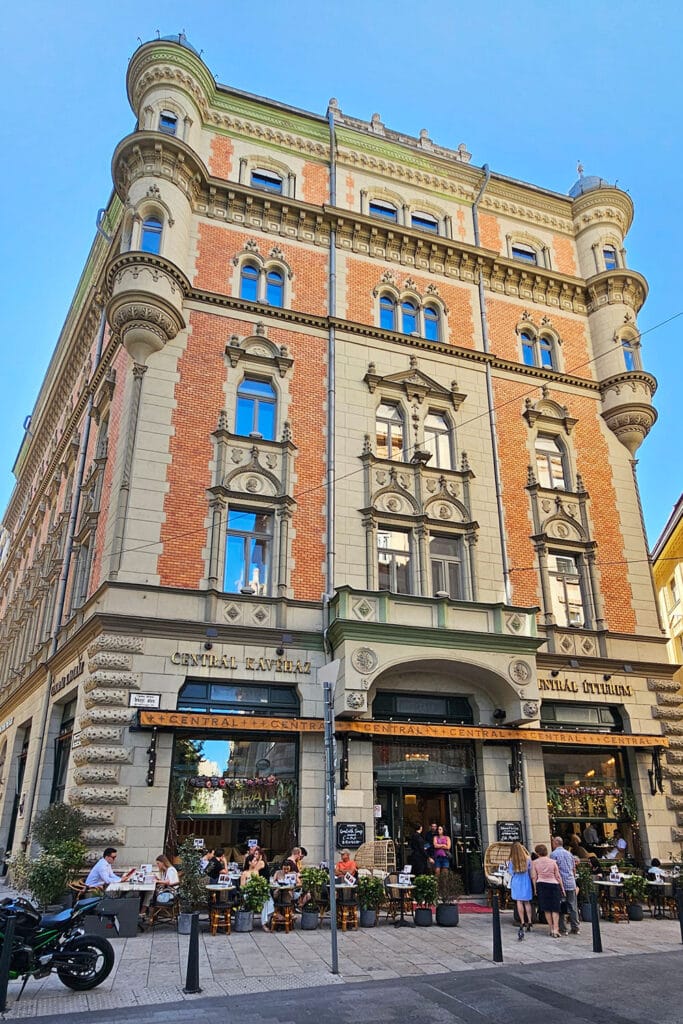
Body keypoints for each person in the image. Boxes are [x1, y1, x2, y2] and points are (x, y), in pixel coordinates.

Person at [530, 843, 565, 938]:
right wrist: (562, 887)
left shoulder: (535, 863)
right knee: (555, 908)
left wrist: (535, 888)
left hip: (541, 884)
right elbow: (558, 876)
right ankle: (556, 929)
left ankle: (551, 928)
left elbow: (534, 877)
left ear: (537, 853)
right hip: (553, 884)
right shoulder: (553, 862)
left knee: (547, 909)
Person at [551, 836, 580, 935]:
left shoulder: (553, 855)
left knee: (561, 906)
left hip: (560, 883)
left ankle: (563, 928)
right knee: (572, 906)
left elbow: (554, 870)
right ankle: (575, 927)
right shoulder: (569, 854)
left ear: (555, 843)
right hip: (571, 882)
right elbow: (573, 869)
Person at [507, 841, 533, 940]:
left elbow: (511, 872)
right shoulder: (527, 859)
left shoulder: (512, 860)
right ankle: (529, 921)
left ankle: (522, 921)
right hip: (526, 881)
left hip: (517, 881)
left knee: (519, 901)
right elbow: (531, 870)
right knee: (527, 902)